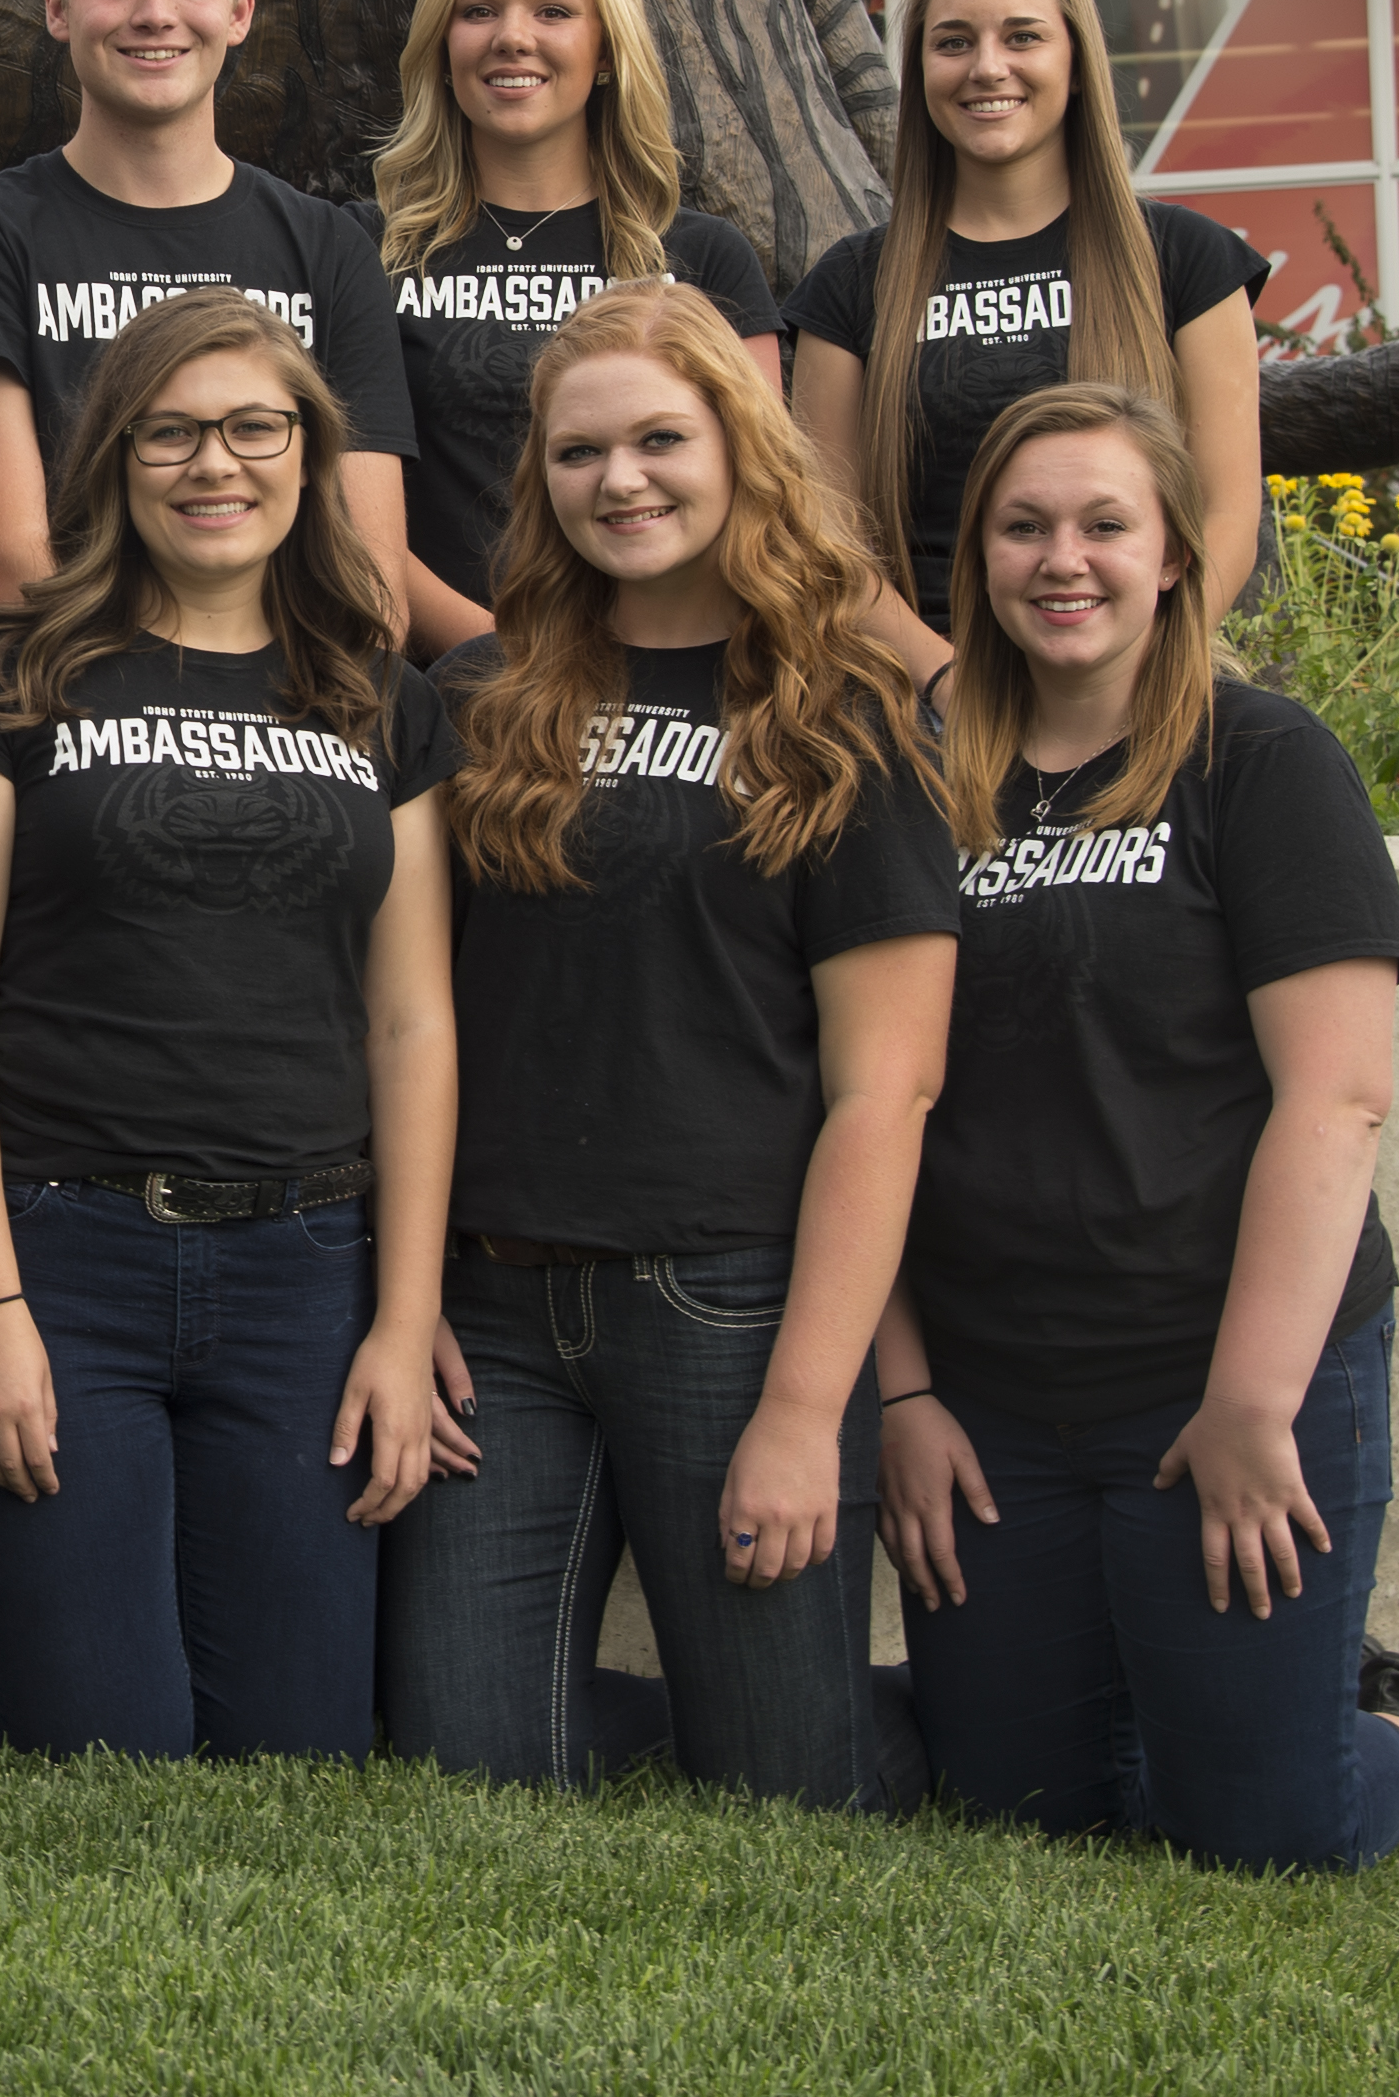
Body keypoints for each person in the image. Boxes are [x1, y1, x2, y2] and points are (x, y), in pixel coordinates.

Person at [872, 383, 1399, 1869]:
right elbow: (861, 1102)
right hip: (996, 1389)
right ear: (976, 562)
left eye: (1105, 524)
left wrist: (1250, 1403)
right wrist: (901, 1398)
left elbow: (1337, 1101)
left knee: (1264, 1833)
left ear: (1173, 558)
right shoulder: (910, 776)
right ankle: (1195, 1697)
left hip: (1218, 1378)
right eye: (1022, 528)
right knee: (1025, 1808)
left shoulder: (1261, 763)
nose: (1061, 559)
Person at [378, 280, 956, 1804]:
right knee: (469, 1773)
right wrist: (410, 1291)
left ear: (741, 450)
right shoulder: (480, 697)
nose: (619, 481)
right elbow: (411, 1019)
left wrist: (805, 1408)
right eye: (578, 455)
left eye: (658, 441)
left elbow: (886, 1091)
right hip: (497, 1312)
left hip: (730, 1304)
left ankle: (923, 1708)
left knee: (788, 1792)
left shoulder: (845, 719)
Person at [0, 288, 460, 1761]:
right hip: (67, 1254)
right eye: (175, 433)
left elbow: (412, 1024)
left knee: (297, 1751)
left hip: (305, 1268)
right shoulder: (4, 678)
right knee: (107, 1751)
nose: (219, 464)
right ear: (116, 460)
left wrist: (401, 1322)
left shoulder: (379, 704)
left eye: (256, 429)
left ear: (310, 453)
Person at [0, 0, 413, 615]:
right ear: (57, 5)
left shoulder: (329, 250)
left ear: (240, 10)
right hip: (70, 701)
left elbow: (373, 582)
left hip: (288, 705)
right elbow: (7, 565)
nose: (155, 15)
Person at [780, 0, 1266, 678]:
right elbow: (830, 539)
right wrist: (944, 686)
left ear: (1075, 65)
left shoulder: (1185, 261)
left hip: (1135, 689)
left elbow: (1228, 513)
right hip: (923, 706)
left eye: (1023, 37)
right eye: (952, 43)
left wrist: (1143, 671)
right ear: (920, 73)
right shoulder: (851, 286)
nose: (987, 67)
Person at [358, 0, 779, 652]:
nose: (512, 38)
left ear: (608, 50)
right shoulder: (364, 251)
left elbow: (760, 499)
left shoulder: (703, 259)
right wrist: (501, 657)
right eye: (479, 10)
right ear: (442, 44)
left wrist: (604, 674)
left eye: (553, 12)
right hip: (442, 683)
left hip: (655, 690)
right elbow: (342, 501)